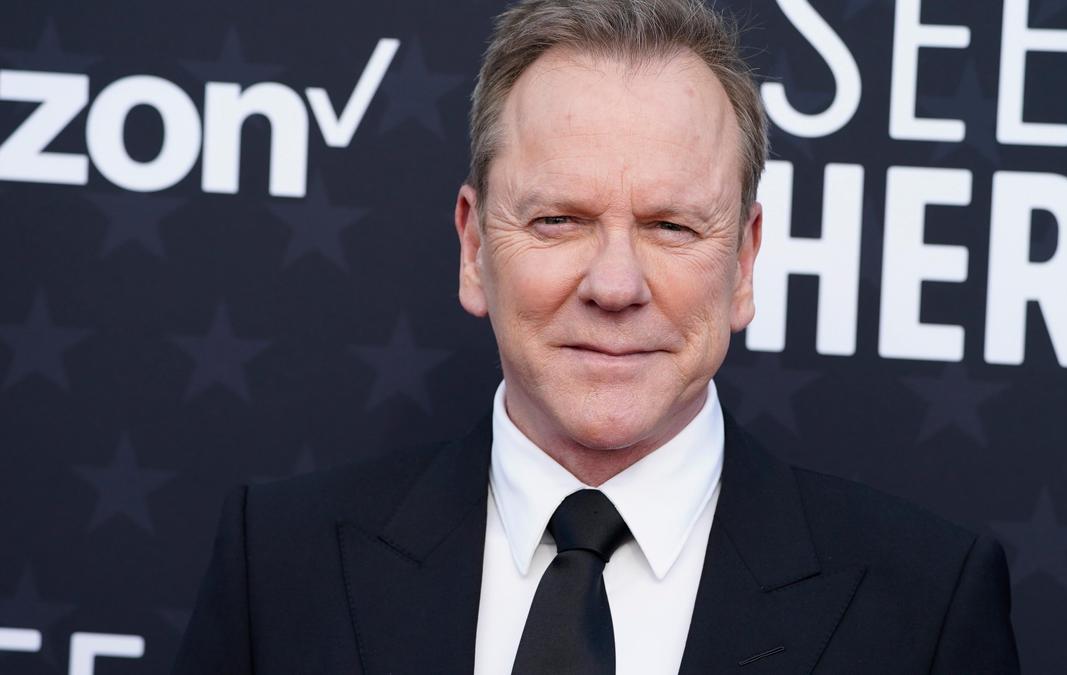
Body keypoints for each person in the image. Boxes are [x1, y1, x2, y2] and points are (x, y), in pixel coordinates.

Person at [172, 0, 1021, 672]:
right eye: (559, 220)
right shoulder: (277, 566)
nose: (615, 285)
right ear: (474, 248)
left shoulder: (926, 609)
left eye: (672, 226)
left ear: (744, 262)